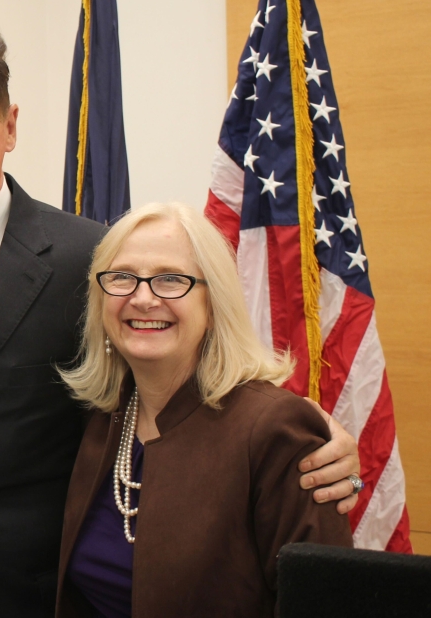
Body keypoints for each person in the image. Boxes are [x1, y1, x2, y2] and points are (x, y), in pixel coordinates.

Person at [0, 11, 359, 618]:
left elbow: (178, 381)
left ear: (9, 125)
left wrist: (310, 431)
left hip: (33, 599)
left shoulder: (93, 261)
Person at [55, 202, 355, 617]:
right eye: (122, 278)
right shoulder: (103, 418)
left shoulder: (273, 430)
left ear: (214, 304)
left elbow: (325, 602)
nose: (143, 298)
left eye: (170, 279)